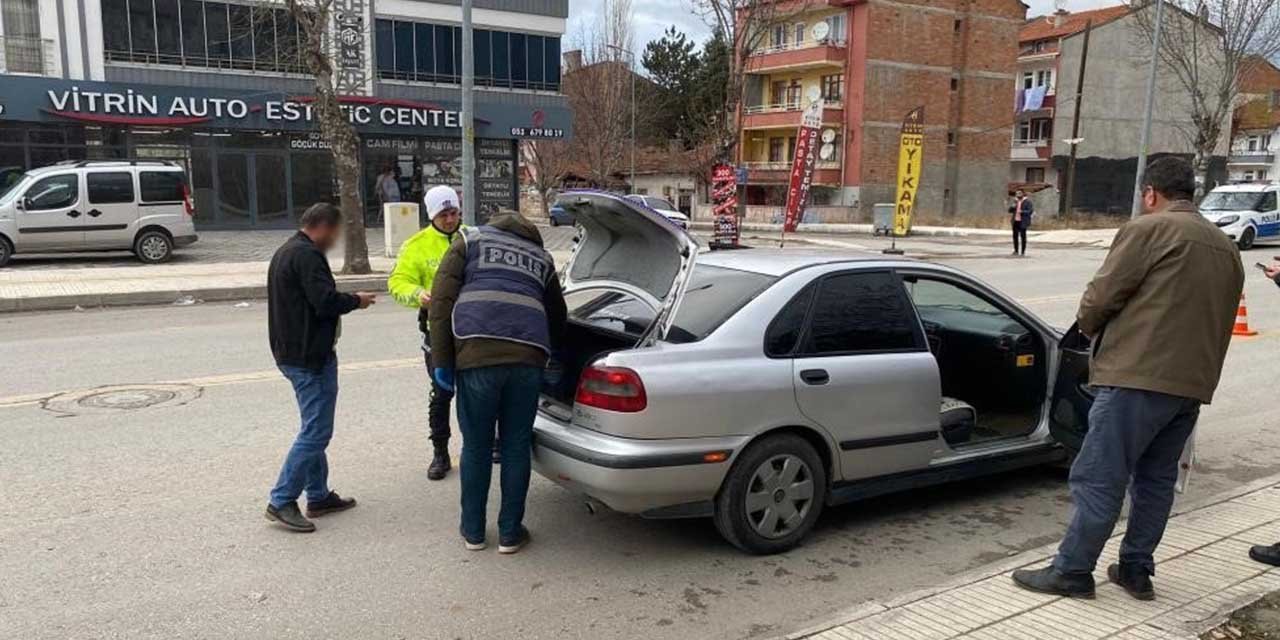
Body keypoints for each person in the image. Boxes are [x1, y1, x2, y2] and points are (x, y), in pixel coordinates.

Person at [1011, 157, 1243, 599]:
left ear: (1151, 194)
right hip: (1190, 386)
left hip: (1136, 377)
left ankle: (1073, 570)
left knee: (1099, 475)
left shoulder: (1148, 230)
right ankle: (1136, 569)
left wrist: (1088, 326)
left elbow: (1101, 297)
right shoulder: (1224, 245)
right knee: (1155, 482)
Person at [428, 209, 567, 554]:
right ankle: (510, 532)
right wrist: (554, 360)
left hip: (476, 355)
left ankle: (473, 532)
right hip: (528, 359)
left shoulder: (469, 241)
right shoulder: (541, 257)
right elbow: (558, 315)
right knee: (515, 445)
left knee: (476, 445)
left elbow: (442, 303)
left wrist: (442, 361)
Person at [264, 203, 378, 533]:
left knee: (313, 426)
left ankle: (318, 495)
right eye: (336, 233)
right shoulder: (306, 255)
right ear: (324, 227)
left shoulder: (288, 250)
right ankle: (282, 499)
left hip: (295, 352)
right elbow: (325, 301)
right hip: (308, 357)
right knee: (316, 431)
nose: (336, 240)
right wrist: (357, 299)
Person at [387, 185, 464, 481]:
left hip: (472, 328)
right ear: (433, 215)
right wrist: (418, 294)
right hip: (439, 332)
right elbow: (397, 284)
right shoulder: (416, 245)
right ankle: (440, 453)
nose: (449, 219)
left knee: (479, 389)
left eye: (454, 212)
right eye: (443, 214)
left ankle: (487, 443)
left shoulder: (472, 237)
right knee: (442, 392)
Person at [1009, 189, 1033, 256]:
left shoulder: (1027, 202)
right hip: (1015, 221)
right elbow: (1009, 211)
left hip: (1023, 221)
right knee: (1015, 236)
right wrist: (1012, 207)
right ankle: (1016, 251)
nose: (1018, 195)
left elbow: (1030, 211)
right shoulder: (1015, 201)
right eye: (1017, 194)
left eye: (1019, 193)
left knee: (1023, 237)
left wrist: (1022, 211)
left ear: (1023, 194)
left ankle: (1022, 252)